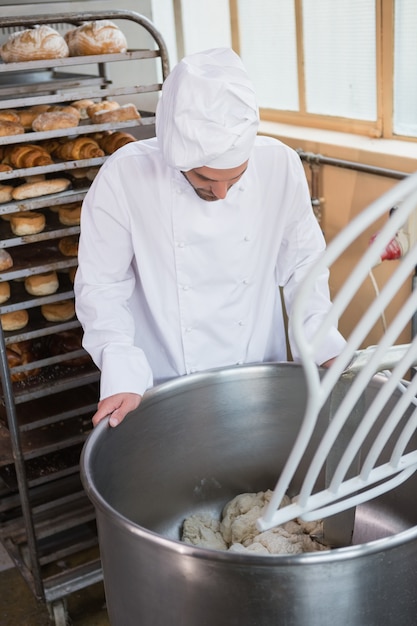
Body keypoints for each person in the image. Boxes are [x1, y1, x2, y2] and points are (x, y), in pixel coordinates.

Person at [74, 47, 345, 428]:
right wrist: (121, 369)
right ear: (173, 154)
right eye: (205, 179)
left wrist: (323, 344)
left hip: (256, 371)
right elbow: (102, 286)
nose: (221, 195)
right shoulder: (125, 175)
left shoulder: (279, 165)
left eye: (235, 180)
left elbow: (304, 266)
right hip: (160, 378)